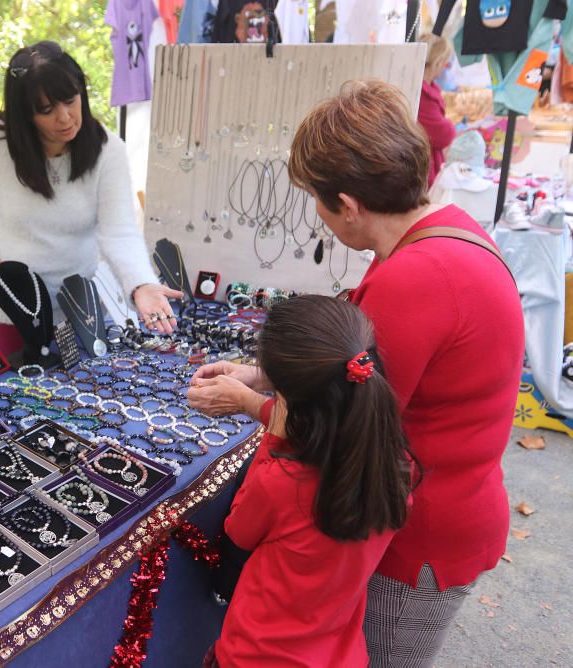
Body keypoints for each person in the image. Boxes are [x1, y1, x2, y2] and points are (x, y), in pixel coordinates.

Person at [189, 80, 523, 667]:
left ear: (347, 204)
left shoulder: (412, 281)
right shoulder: (450, 233)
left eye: (317, 201)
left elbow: (336, 424)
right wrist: (261, 374)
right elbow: (358, 373)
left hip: (413, 536)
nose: (318, 219)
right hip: (441, 509)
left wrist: (248, 402)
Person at [207, 295, 413, 667]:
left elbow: (238, 531)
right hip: (339, 653)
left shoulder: (281, 481)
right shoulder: (395, 467)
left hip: (257, 655)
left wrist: (275, 434)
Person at [0, 41, 179, 356]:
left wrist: (141, 284)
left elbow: (120, 230)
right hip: (7, 314)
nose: (65, 117)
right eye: (46, 110)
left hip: (78, 314)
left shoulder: (107, 150)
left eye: (71, 100)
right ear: (25, 113)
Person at [418, 33, 456, 187]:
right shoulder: (421, 93)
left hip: (427, 160)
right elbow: (441, 133)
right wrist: (449, 126)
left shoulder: (427, 87)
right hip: (423, 163)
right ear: (438, 62)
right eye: (445, 63)